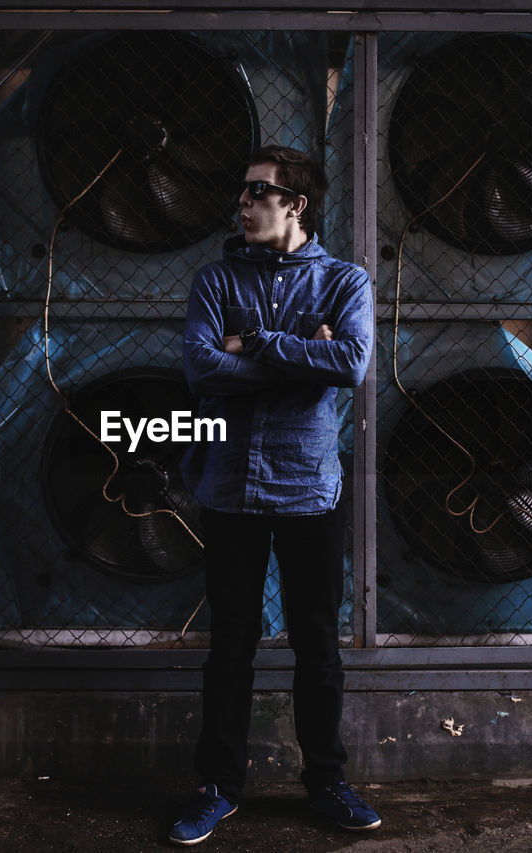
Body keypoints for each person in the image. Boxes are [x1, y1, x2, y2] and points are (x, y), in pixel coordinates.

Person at [169, 146, 380, 846]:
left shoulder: (346, 281)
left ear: (297, 204)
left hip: (308, 491)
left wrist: (255, 343)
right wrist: (296, 357)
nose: (243, 202)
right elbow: (201, 369)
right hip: (228, 488)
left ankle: (326, 781)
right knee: (231, 644)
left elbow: (349, 362)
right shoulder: (216, 278)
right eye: (243, 190)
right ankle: (218, 786)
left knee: (317, 644)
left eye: (259, 191)